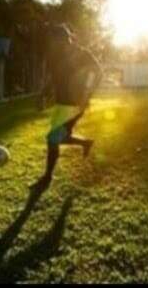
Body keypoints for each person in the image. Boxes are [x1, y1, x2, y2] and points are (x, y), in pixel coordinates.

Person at [32, 23, 104, 190]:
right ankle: (86, 143)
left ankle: (47, 178)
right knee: (59, 138)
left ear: (67, 39)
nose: (56, 44)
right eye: (54, 41)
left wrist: (87, 92)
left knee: (52, 139)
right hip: (61, 104)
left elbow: (98, 71)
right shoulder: (56, 56)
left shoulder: (82, 54)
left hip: (76, 104)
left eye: (59, 40)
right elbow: (53, 77)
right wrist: (43, 94)